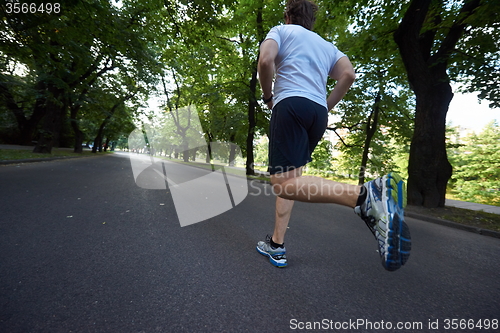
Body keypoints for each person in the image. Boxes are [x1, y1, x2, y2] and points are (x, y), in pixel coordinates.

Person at [256, 0, 411, 271]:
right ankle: (277, 245)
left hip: (290, 104)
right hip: (317, 113)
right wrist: (325, 106)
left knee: (282, 184)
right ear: (311, 21)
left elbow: (266, 60)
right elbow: (348, 75)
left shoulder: (280, 31)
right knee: (293, 181)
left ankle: (364, 195)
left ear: (287, 16)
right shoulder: (327, 46)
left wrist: (269, 96)